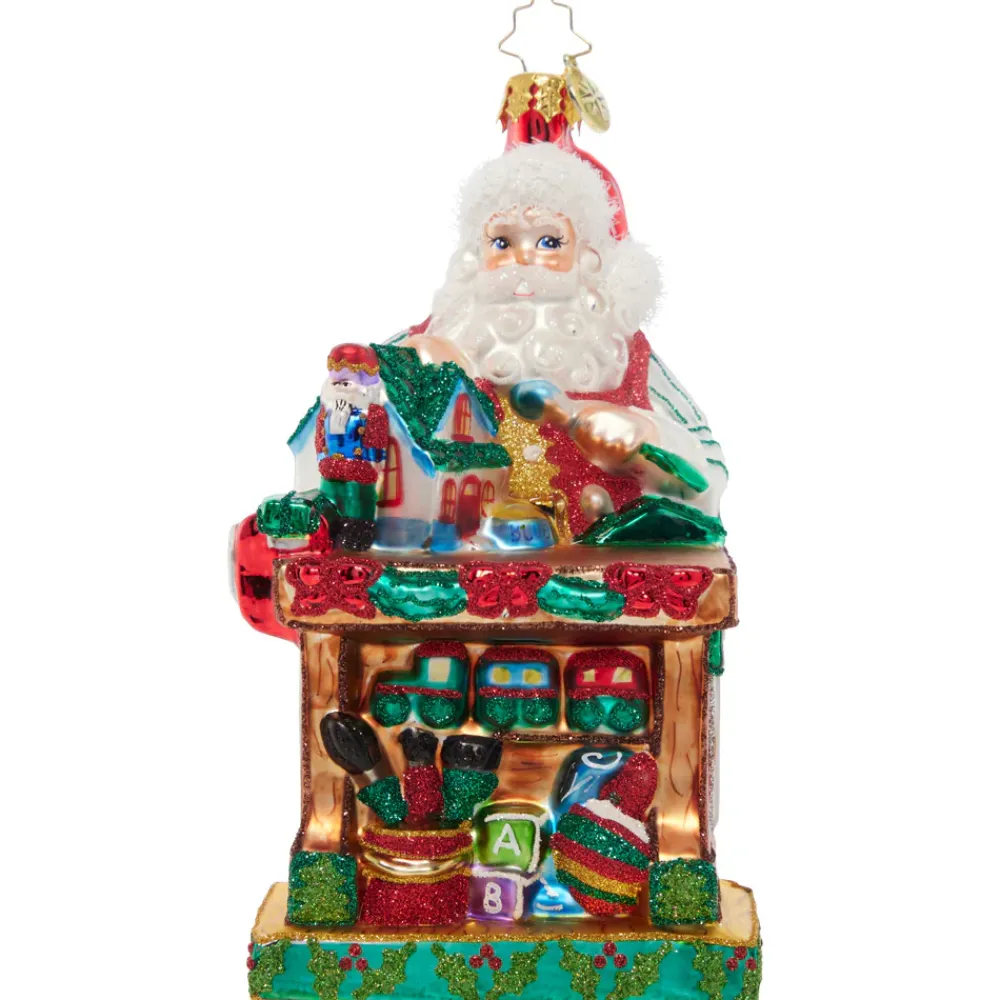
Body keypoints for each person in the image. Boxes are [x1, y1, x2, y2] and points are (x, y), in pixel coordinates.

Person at [315, 344, 387, 550]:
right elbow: (320, 438)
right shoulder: (326, 412)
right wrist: (321, 457)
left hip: (358, 466)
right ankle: (328, 530)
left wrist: (376, 462)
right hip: (330, 466)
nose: (340, 387)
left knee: (356, 500)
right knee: (329, 497)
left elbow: (376, 440)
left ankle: (357, 534)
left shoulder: (372, 413)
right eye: (336, 382)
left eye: (346, 383)